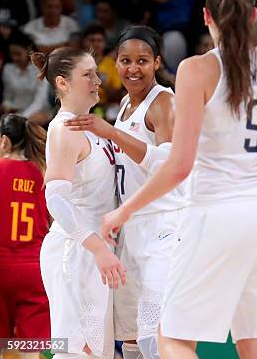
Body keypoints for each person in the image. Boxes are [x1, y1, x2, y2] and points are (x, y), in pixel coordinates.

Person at [100, 0, 257, 357]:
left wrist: (123, 211)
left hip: (215, 214)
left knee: (172, 338)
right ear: (255, 13)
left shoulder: (198, 69)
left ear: (206, 17)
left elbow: (179, 165)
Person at [65, 25, 185, 359]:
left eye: (142, 61)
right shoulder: (124, 107)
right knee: (130, 338)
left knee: (154, 334)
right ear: (115, 64)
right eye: (125, 60)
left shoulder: (165, 103)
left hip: (163, 224)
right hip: (130, 228)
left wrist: (110, 133)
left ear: (157, 62)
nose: (133, 68)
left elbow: (167, 168)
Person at [33, 47, 125, 359]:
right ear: (62, 82)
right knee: (76, 353)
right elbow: (55, 198)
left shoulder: (89, 125)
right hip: (77, 250)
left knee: (97, 353)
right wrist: (97, 247)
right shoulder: (64, 128)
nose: (98, 80)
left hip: (95, 250)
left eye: (96, 72)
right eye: (87, 74)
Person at [0, 113, 50, 359]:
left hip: (1, 266)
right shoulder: (42, 171)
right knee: (32, 348)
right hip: (35, 267)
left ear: (4, 142)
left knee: (2, 345)